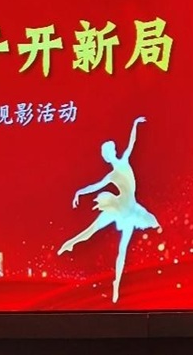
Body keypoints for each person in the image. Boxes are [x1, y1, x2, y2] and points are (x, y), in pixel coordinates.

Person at [58, 116, 160, 303]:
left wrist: (135, 124)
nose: (110, 154)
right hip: (119, 207)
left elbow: (132, 142)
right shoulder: (112, 175)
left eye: (109, 151)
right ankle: (69, 244)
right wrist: (79, 192)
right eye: (107, 153)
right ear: (107, 156)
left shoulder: (124, 160)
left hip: (131, 210)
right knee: (92, 231)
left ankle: (116, 284)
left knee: (123, 249)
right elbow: (95, 186)